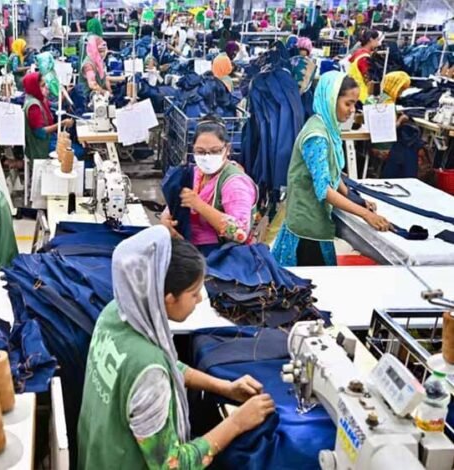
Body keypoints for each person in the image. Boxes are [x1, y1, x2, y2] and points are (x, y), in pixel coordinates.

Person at [78, 227, 276, 469]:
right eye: (193, 294)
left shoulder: (116, 313)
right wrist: (236, 423)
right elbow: (173, 465)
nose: (200, 299)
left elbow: (168, 365)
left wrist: (225, 387)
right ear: (168, 298)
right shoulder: (149, 370)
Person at [272, 73, 391, 267]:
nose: (352, 110)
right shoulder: (316, 136)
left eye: (354, 104)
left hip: (312, 221)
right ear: (331, 99)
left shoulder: (327, 127)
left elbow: (331, 171)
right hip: (308, 227)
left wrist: (355, 198)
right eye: (347, 104)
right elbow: (324, 190)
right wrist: (365, 214)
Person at [160, 117, 258, 254]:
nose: (207, 157)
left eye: (215, 151)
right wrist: (166, 221)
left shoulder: (235, 184)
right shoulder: (195, 173)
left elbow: (240, 233)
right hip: (188, 246)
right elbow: (173, 206)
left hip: (218, 254)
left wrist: (199, 205)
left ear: (227, 149)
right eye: (200, 152)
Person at [23, 72, 73, 161]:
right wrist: (62, 123)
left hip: (48, 139)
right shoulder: (34, 106)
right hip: (41, 146)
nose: (47, 87)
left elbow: (55, 105)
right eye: (42, 85)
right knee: (76, 151)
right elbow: (40, 132)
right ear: (34, 87)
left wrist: (65, 94)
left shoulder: (40, 99)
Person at [349, 29, 381, 102]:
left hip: (353, 90)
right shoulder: (364, 58)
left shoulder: (358, 52)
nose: (378, 43)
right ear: (371, 39)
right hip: (361, 96)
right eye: (377, 40)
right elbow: (368, 79)